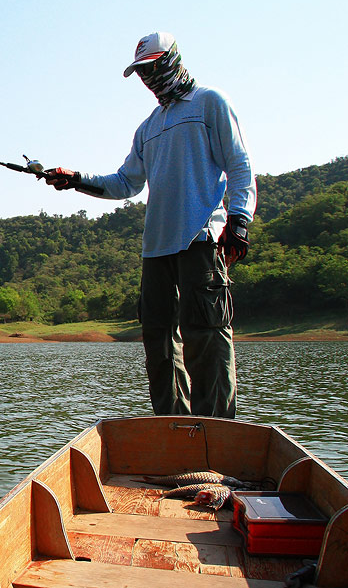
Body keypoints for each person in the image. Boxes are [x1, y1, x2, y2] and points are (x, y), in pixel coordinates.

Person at [42, 32, 256, 418]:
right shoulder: (148, 127)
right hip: (155, 248)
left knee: (205, 337)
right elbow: (125, 182)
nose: (148, 77)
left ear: (172, 59)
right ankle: (172, 429)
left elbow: (240, 166)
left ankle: (218, 434)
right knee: (158, 342)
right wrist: (74, 178)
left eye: (153, 67)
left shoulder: (210, 102)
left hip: (200, 238)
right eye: (142, 71)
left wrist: (239, 220)